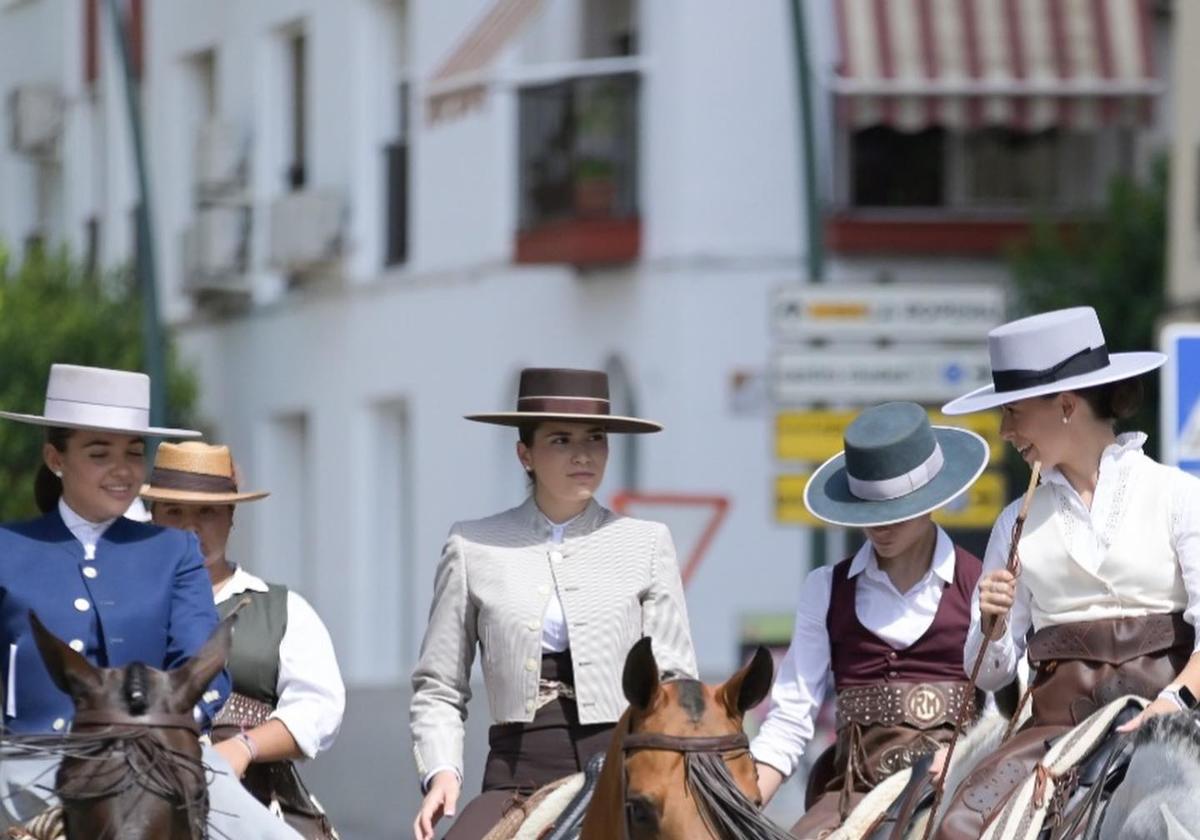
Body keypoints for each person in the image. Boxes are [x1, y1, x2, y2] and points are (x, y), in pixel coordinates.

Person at [931, 306, 1200, 838]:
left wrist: (1175, 700)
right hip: (1056, 727)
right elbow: (990, 676)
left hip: (1178, 714)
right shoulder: (1014, 522)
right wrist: (990, 624)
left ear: (1067, 406)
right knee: (956, 826)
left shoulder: (1178, 495)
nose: (1005, 431)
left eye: (1013, 412)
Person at [0, 363, 300, 839]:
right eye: (100, 454)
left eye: (134, 453)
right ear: (56, 458)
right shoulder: (7, 550)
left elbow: (204, 662)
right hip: (26, 766)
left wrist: (167, 725)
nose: (122, 470)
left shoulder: (173, 550)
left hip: (165, 755)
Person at [410, 367, 697, 840]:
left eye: (596, 438)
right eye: (561, 440)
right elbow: (439, 684)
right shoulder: (472, 544)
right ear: (525, 453)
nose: (583, 454)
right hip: (516, 775)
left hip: (629, 776)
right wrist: (442, 771)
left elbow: (674, 680)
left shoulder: (647, 542)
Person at [750, 402, 990, 838]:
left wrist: (965, 756)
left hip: (957, 790)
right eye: (869, 511)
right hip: (851, 800)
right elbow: (790, 719)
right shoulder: (825, 588)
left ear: (933, 498)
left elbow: (1003, 703)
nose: (882, 527)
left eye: (898, 509)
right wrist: (737, 801)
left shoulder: (980, 583)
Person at [144, 441, 346, 839]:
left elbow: (319, 707)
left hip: (255, 796)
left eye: (207, 511)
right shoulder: (126, 608)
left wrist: (244, 747)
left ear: (231, 516)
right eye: (174, 512)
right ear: (152, 518)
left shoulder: (284, 610)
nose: (190, 527)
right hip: (140, 795)